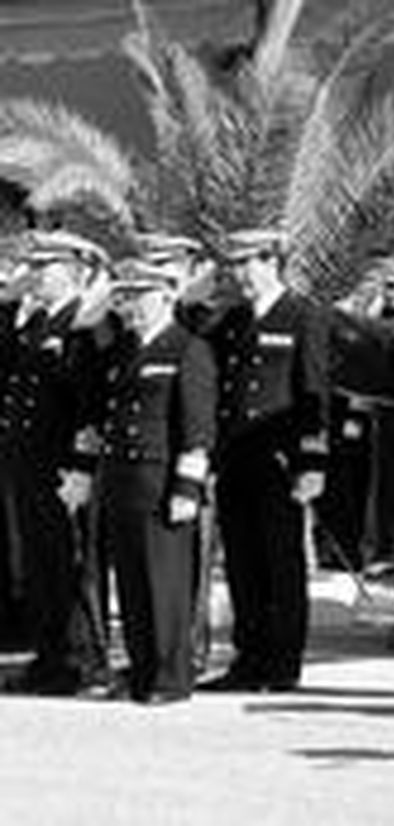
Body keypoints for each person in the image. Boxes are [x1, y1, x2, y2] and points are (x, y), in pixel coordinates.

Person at [80, 237, 217, 704]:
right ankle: (141, 671)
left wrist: (186, 487)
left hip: (161, 482)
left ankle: (171, 676)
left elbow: (197, 428)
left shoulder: (187, 349)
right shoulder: (122, 351)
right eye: (125, 297)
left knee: (165, 584)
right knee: (132, 585)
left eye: (139, 297)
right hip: (121, 480)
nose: (130, 306)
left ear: (166, 295)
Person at [198, 227, 331, 694]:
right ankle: (248, 657)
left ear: (272, 261)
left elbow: (314, 392)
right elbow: (196, 348)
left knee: (281, 562)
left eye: (248, 263)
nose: (240, 274)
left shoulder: (303, 315)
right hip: (236, 458)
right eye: (235, 265)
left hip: (280, 460)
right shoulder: (231, 320)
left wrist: (312, 463)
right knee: (241, 562)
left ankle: (282, 663)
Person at [0, 231, 108, 694]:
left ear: (74, 271)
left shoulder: (83, 324)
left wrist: (82, 467)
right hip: (28, 462)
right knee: (41, 564)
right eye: (36, 267)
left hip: (62, 466)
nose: (38, 276)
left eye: (47, 267)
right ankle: (48, 657)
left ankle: (78, 657)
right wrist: (7, 302)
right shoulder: (36, 324)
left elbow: (90, 404)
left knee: (70, 563)